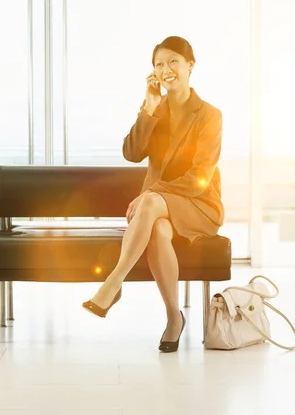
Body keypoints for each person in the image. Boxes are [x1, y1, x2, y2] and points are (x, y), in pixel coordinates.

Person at [82, 36, 224, 353]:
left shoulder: (210, 115)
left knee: (149, 201)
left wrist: (154, 193)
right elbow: (131, 153)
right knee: (159, 229)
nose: (165, 69)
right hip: (159, 210)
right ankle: (174, 318)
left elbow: (200, 177)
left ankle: (114, 282)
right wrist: (148, 108)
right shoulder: (156, 111)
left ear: (190, 64)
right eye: (159, 64)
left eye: (173, 60)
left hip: (198, 204)